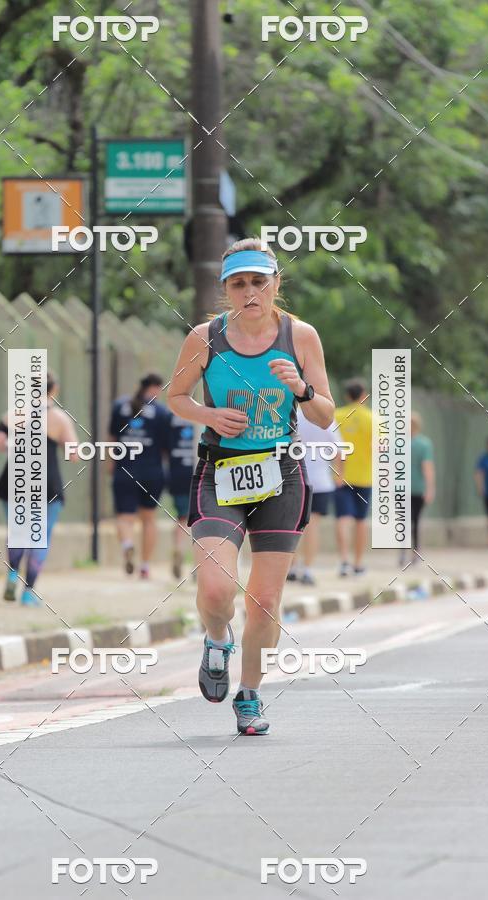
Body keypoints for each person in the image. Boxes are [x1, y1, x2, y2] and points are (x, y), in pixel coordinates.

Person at [167, 237, 334, 735]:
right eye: (238, 284)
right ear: (226, 290)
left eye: (258, 281)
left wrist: (302, 389)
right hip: (220, 471)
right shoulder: (205, 337)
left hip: (281, 475)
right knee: (217, 588)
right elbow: (175, 395)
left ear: (275, 284)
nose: (249, 292)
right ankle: (217, 639)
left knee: (263, 599)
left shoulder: (300, 336)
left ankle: (250, 693)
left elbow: (325, 416)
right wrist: (208, 413)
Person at [0, 370, 78, 606]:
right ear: (54, 390)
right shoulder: (59, 419)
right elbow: (73, 454)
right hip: (46, 485)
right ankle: (29, 592)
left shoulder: (14, 414)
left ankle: (11, 574)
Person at [108, 373, 171, 579]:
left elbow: (112, 439)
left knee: (125, 518)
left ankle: (127, 544)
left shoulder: (120, 406)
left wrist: (110, 463)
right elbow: (166, 448)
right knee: (149, 519)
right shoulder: (161, 412)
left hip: (125, 469)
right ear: (155, 388)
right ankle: (144, 566)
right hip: (152, 472)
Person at [287, 411, 341, 585]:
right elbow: (339, 450)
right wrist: (339, 475)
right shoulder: (324, 417)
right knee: (313, 527)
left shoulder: (290, 414)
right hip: (321, 481)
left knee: (291, 526)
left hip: (294, 478)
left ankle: (292, 568)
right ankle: (307, 570)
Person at [333, 379, 373, 576]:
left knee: (342, 518)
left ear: (347, 395)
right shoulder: (374, 419)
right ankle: (358, 563)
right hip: (365, 477)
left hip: (341, 476)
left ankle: (344, 561)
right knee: (360, 520)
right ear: (363, 394)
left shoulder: (337, 415)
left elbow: (330, 446)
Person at [401, 412, 435, 565]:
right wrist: (430, 488)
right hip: (417, 489)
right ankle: (415, 552)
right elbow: (427, 467)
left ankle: (403, 551)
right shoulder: (424, 444)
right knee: (415, 520)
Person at [167, 413, 195, 579]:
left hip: (177, 472)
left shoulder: (171, 416)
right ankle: (198, 563)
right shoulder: (210, 410)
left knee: (182, 518)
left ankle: (178, 547)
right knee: (203, 518)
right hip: (200, 469)